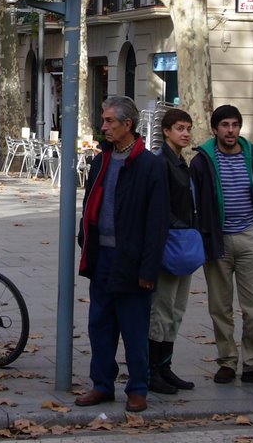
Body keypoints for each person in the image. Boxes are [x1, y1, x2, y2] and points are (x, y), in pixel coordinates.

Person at [75, 96, 169, 414]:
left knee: (134, 329)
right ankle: (102, 384)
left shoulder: (150, 165)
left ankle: (137, 388)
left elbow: (157, 224)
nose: (104, 126)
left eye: (109, 121)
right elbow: (90, 202)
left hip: (132, 261)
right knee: (99, 326)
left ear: (127, 125)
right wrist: (83, 237)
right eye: (103, 120)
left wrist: (148, 269)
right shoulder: (101, 160)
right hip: (101, 257)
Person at [191, 104, 253, 385]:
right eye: (225, 125)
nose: (230, 130)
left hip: (250, 237)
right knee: (220, 306)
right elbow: (193, 201)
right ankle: (227, 362)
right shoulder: (202, 161)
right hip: (217, 240)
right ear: (215, 129)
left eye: (235, 125)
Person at [148, 108, 197, 395]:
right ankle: (153, 371)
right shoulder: (160, 162)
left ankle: (165, 367)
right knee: (162, 309)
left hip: (183, 244)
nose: (186, 133)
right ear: (166, 131)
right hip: (170, 244)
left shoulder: (180, 161)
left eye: (188, 128)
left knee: (176, 310)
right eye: (180, 128)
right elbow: (158, 206)